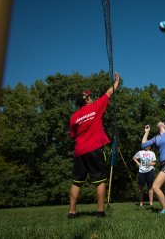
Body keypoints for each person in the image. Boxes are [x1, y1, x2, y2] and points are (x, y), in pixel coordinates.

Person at [67, 72, 119, 218]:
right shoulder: (95, 107)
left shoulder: (74, 118)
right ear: (87, 100)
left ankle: (71, 212)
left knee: (76, 182)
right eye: (89, 97)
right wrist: (116, 82)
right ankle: (100, 211)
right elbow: (109, 92)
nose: (91, 98)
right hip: (95, 149)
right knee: (100, 180)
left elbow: (72, 136)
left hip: (79, 152)